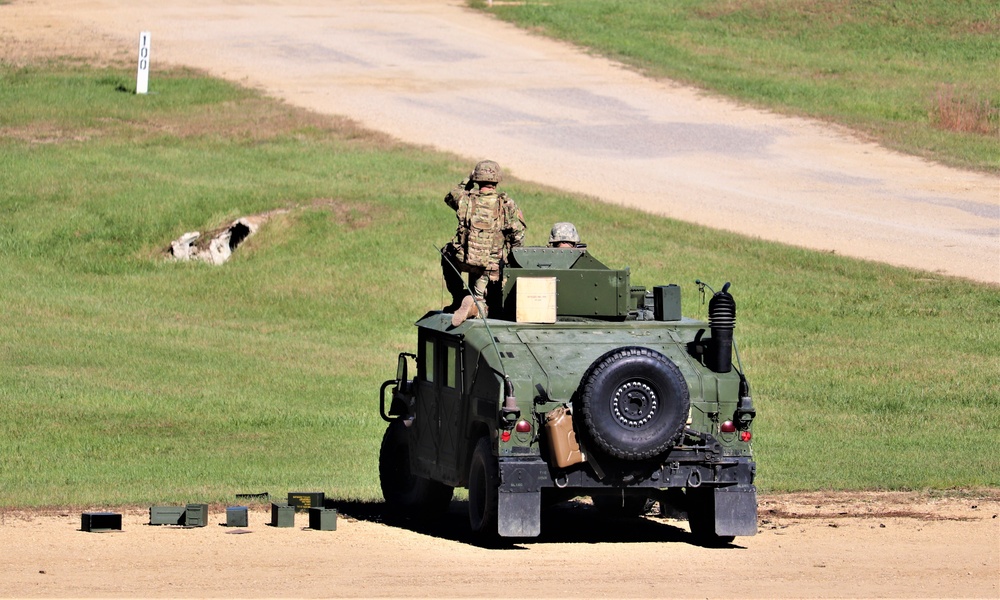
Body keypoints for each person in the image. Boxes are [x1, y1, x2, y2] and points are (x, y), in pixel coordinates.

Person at [441, 160, 526, 326]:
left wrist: (469, 179)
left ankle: (459, 297)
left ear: (477, 179)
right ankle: (476, 305)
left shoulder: (465, 200)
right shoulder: (506, 205)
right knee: (483, 301)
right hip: (491, 267)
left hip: (463, 261)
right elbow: (518, 235)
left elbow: (450, 195)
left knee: (446, 253)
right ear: (497, 180)